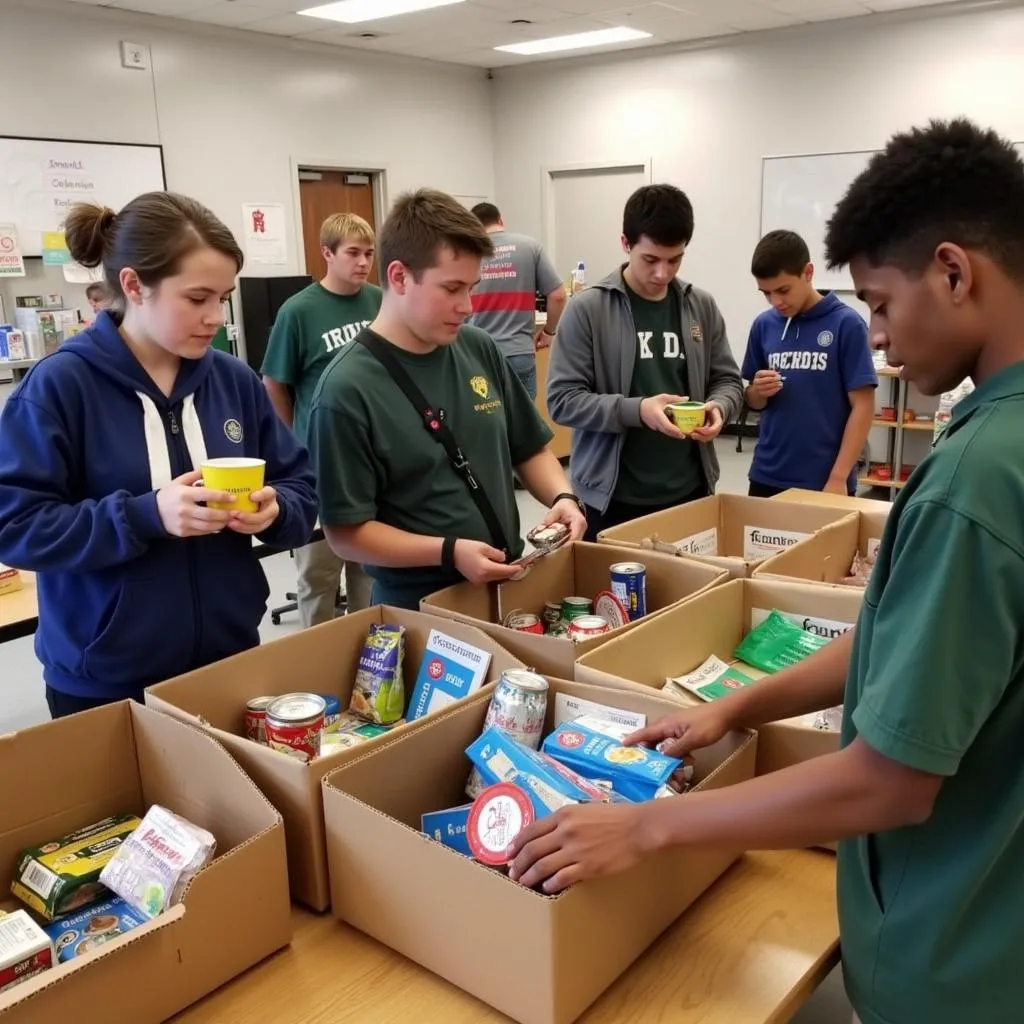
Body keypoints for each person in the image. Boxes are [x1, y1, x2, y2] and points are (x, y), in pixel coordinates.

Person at [507, 119, 1024, 1024]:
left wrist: (646, 825)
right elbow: (899, 638)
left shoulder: (977, 478)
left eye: (880, 303)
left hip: (955, 953)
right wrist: (736, 706)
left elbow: (888, 782)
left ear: (953, 271)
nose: (881, 340)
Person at [0, 193, 318, 718]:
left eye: (224, 297)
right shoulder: (60, 387)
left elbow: (301, 485)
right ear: (133, 286)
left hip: (228, 659)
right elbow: (15, 526)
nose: (215, 317)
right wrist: (146, 515)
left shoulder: (233, 380)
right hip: (105, 679)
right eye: (196, 299)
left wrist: (276, 509)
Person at [308, 188, 587, 610]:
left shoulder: (478, 348)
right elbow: (346, 534)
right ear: (400, 277)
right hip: (419, 606)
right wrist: (448, 551)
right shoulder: (345, 389)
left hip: (503, 588)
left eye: (471, 287)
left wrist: (563, 498)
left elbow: (528, 449)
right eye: (452, 288)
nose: (468, 306)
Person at [546, 184, 744, 541]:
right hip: (611, 500)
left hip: (690, 493)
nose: (662, 274)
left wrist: (721, 408)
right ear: (626, 243)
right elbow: (562, 401)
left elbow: (728, 380)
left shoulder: (700, 305)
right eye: (650, 260)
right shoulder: (587, 310)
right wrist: (637, 411)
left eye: (675, 260)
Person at [261, 213, 381, 624]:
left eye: (369, 253)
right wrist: (291, 442)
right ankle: (318, 656)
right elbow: (274, 382)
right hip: (319, 463)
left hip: (371, 460)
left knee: (370, 569)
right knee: (318, 574)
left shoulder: (381, 301)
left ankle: (369, 655)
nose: (363, 262)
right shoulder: (298, 311)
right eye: (352, 253)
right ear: (327, 253)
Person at [743, 230, 877, 497]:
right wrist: (757, 392)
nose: (775, 302)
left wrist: (838, 477)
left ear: (808, 272)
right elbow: (753, 400)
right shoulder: (763, 325)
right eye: (766, 293)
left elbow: (863, 406)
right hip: (767, 474)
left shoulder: (846, 324)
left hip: (825, 479)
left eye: (783, 290)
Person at [469, 202, 566, 399]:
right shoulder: (530, 246)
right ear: (501, 220)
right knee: (524, 425)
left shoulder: (469, 252)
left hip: (480, 354)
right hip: (519, 351)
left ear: (474, 226)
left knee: (489, 421)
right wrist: (548, 332)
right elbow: (558, 295)